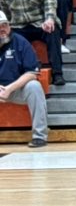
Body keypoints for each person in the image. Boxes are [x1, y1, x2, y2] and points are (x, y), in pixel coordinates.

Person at [0, 0, 64, 86]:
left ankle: (57, 73)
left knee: (53, 30)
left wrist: (50, 18)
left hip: (40, 21)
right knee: (7, 38)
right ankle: (14, 77)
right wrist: (5, 25)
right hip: (18, 24)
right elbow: (3, 7)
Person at [0, 10, 49, 147]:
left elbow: (32, 73)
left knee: (34, 86)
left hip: (16, 90)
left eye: (5, 25)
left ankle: (39, 136)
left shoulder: (20, 42)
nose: (2, 29)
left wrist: (9, 89)